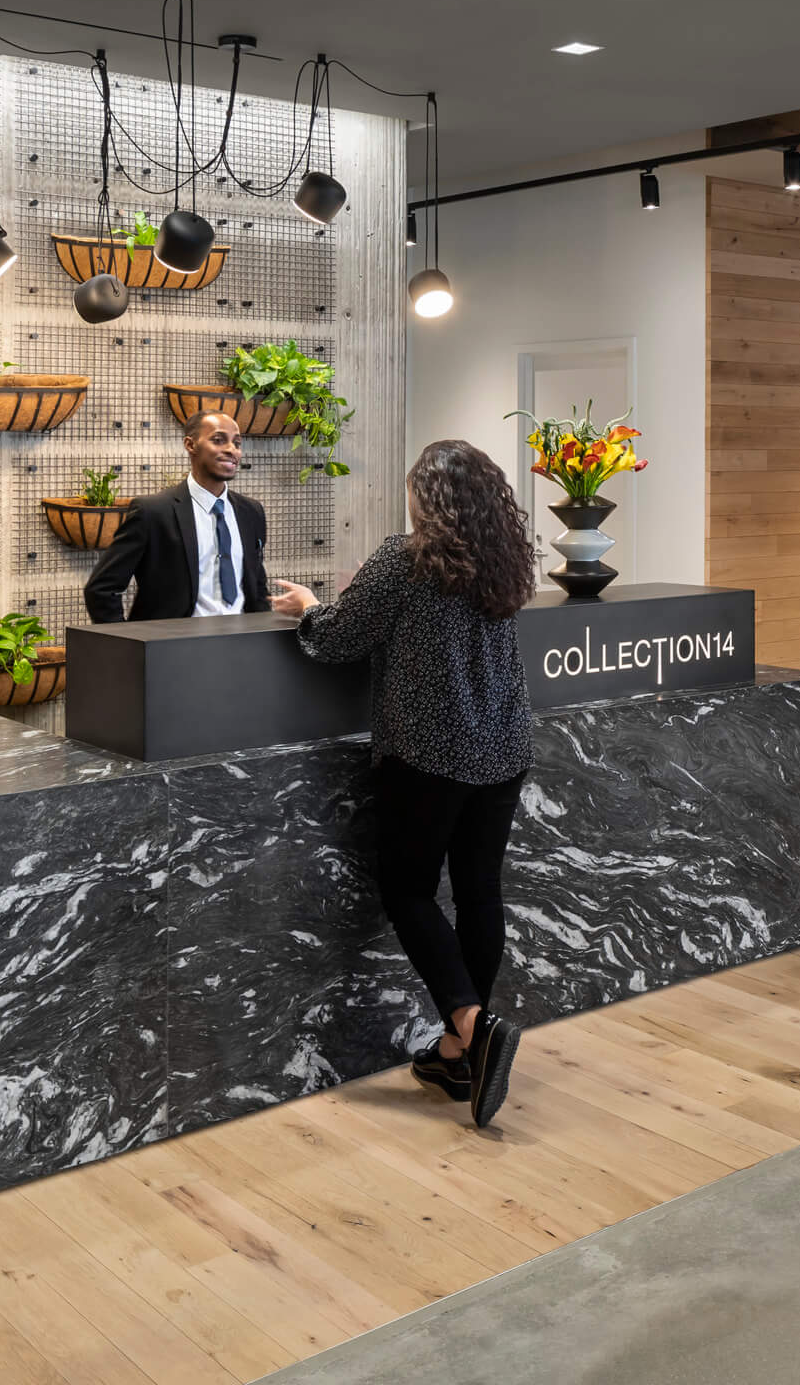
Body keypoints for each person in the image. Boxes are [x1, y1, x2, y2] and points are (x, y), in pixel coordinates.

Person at [270, 440, 538, 1128]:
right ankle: (457, 1054)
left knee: (408, 892)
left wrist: (307, 604)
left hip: (429, 755)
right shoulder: (503, 561)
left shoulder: (405, 557)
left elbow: (335, 639)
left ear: (428, 497)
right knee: (479, 893)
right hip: (504, 748)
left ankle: (474, 1027)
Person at [83, 411, 269, 622]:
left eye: (237, 443)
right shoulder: (152, 512)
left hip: (242, 644)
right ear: (191, 445)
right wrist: (126, 647)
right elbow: (101, 589)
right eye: (218, 440)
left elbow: (257, 586)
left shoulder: (251, 512)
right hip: (173, 648)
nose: (231, 450)